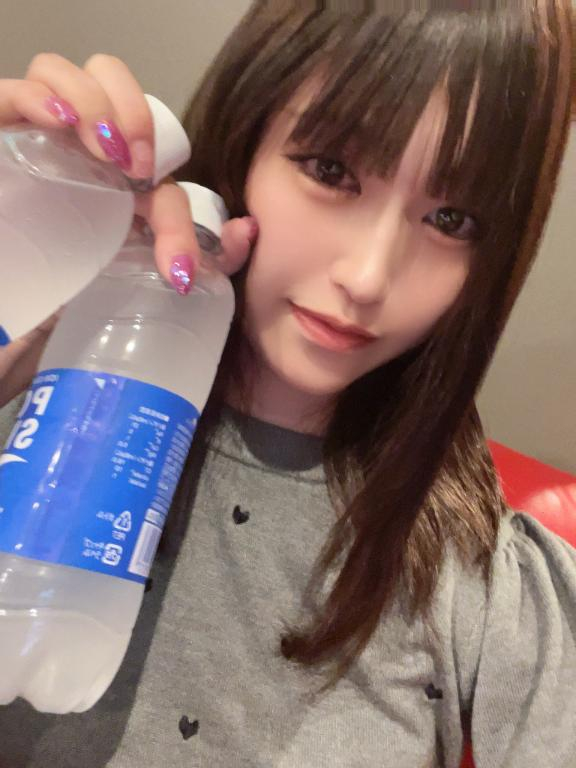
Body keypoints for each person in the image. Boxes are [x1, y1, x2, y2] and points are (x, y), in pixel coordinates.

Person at [0, 2, 574, 766]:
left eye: (452, 220)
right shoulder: (42, 417)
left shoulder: (484, 577)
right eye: (331, 171)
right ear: (244, 140)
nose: (367, 277)